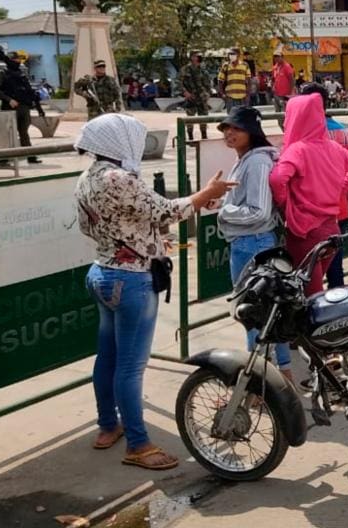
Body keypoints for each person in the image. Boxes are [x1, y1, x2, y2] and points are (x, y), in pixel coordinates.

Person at [74, 113, 234, 470]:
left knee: (108, 358)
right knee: (130, 369)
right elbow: (166, 210)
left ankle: (107, 426)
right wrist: (206, 193)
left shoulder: (88, 178)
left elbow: (96, 225)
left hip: (102, 273)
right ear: (119, 143)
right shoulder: (120, 179)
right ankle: (139, 444)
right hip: (131, 281)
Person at [215, 106, 296, 385]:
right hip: (254, 243)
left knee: (252, 314)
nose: (229, 133)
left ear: (252, 132)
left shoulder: (257, 162)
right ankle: (282, 377)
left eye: (236, 128)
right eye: (226, 128)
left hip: (253, 245)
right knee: (272, 312)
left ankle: (257, 384)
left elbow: (259, 212)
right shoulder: (249, 159)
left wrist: (224, 211)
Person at [269, 94, 348, 295]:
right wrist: (343, 188)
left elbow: (277, 180)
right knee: (314, 289)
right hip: (331, 228)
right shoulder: (334, 147)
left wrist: (284, 202)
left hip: (305, 231)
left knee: (310, 295)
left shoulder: (297, 150)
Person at [300, 82, 348, 289]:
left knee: (308, 271)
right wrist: (343, 189)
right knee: (334, 266)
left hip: (310, 213)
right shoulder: (345, 134)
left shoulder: (304, 135)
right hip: (339, 208)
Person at [0, 51, 44, 164]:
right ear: (10, 60)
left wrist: (37, 105)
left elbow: (29, 91)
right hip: (9, 108)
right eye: (16, 60)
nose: (18, 62)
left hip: (24, 107)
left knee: (24, 133)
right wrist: (8, 99)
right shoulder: (2, 73)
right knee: (8, 134)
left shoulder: (21, 74)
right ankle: (4, 159)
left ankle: (31, 157)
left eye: (19, 60)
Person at [178, 52, 212, 141]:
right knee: (190, 118)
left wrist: (208, 94)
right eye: (196, 55)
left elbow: (208, 83)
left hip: (202, 97)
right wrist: (185, 92)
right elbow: (178, 82)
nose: (198, 57)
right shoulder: (185, 69)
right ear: (192, 57)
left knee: (203, 118)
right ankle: (190, 137)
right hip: (191, 97)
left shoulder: (203, 70)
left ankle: (204, 136)